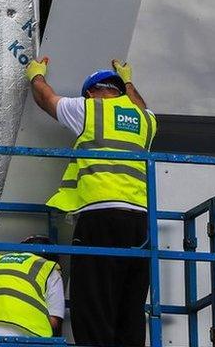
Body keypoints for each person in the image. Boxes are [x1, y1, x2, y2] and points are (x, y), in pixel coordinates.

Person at [25, 57, 157, 346]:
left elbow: (46, 99)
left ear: (91, 92)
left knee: (92, 303)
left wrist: (36, 75)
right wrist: (130, 81)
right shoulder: (146, 120)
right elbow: (140, 106)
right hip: (141, 224)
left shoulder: (89, 109)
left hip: (100, 217)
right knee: (130, 304)